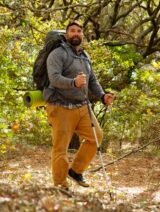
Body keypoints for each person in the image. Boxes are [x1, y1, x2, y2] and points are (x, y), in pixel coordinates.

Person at [43, 20, 115, 188]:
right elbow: (54, 78)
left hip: (82, 106)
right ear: (67, 34)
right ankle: (61, 184)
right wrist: (73, 83)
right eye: (72, 31)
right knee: (61, 148)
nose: (76, 33)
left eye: (79, 31)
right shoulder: (57, 54)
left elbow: (92, 80)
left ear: (82, 35)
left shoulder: (84, 56)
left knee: (95, 137)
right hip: (60, 106)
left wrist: (103, 96)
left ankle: (75, 171)